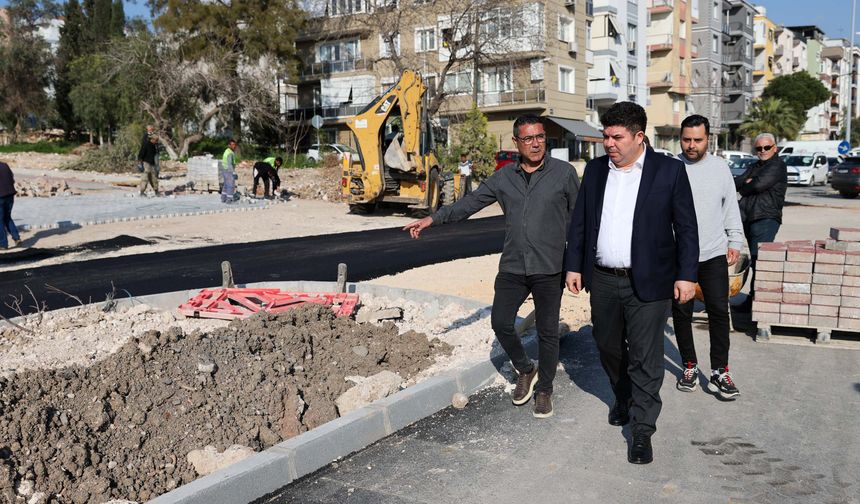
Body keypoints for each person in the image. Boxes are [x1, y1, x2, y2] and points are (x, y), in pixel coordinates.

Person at [404, 114, 580, 419]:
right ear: (516, 143)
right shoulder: (503, 178)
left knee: (549, 332)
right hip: (513, 264)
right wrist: (433, 219)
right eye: (529, 138)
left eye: (540, 137)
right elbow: (468, 204)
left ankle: (545, 390)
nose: (536, 143)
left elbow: (579, 222)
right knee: (500, 322)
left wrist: (577, 264)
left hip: (550, 266)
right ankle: (526, 368)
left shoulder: (564, 174)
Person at [565, 101, 699, 464]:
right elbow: (580, 222)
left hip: (651, 281)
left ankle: (642, 430)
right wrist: (573, 266)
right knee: (607, 346)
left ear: (639, 136)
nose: (609, 143)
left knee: (646, 356)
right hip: (604, 280)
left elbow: (686, 227)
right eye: (605, 136)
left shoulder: (668, 171)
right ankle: (621, 395)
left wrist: (687, 274)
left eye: (617, 136)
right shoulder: (594, 171)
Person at [674, 115, 745, 401]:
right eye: (686, 139)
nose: (691, 145)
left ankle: (719, 371)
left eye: (698, 140)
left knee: (718, 311)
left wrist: (735, 240)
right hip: (678, 256)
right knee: (681, 312)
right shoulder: (671, 167)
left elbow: (730, 207)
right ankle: (689, 365)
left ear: (708, 140)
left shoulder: (719, 168)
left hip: (714, 252)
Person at [733, 132, 787, 312]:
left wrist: (749, 184)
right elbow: (737, 182)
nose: (762, 151)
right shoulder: (755, 165)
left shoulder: (777, 165)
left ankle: (756, 304)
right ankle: (754, 301)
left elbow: (756, 185)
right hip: (750, 218)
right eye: (759, 148)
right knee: (755, 260)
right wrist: (748, 181)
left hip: (765, 218)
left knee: (759, 261)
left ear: (775, 148)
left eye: (766, 147)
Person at [0, 162, 22, 250]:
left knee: (0, 220)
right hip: (10, 195)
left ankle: (3, 244)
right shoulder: (5, 165)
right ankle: (16, 238)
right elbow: (12, 180)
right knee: (7, 217)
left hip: (0, 196)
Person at [221, 139, 239, 203]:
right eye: (233, 145)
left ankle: (223, 198)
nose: (234, 146)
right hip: (228, 171)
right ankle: (229, 199)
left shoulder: (227, 151)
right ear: (229, 145)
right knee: (230, 185)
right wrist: (233, 172)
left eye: (235, 145)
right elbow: (229, 164)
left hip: (224, 170)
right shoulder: (230, 153)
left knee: (225, 185)